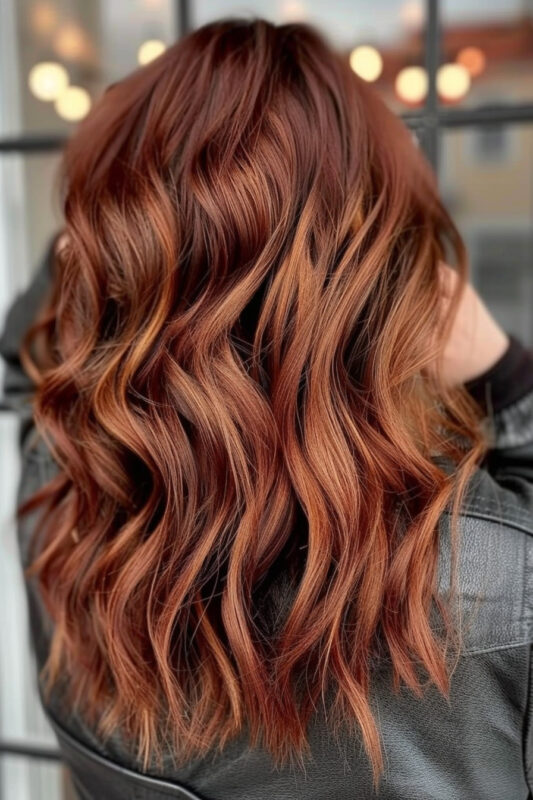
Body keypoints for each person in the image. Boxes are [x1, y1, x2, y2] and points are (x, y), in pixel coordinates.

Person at [1, 17, 533, 800]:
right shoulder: (494, 580)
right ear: (390, 287)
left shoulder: (57, 507)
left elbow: (23, 357)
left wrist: (128, 223)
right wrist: (507, 378)